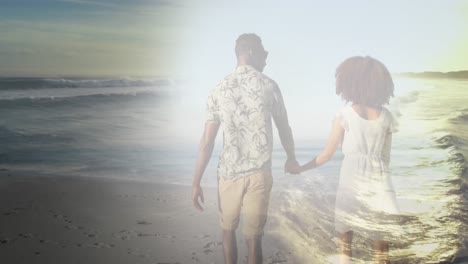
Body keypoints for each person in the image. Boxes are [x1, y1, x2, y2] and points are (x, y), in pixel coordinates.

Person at [191, 33, 298, 264]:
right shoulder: (269, 85)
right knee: (254, 239)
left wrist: (196, 181)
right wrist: (291, 157)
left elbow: (207, 142)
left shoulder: (218, 89)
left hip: (228, 175)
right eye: (264, 53)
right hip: (259, 173)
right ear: (250, 52)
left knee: (227, 232)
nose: (266, 59)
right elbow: (284, 127)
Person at [292, 56, 399, 264]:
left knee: (345, 236)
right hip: (380, 181)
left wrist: (300, 168)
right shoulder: (387, 117)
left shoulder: (344, 115)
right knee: (380, 240)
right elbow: (386, 159)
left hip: (352, 181)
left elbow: (326, 155)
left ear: (348, 83)